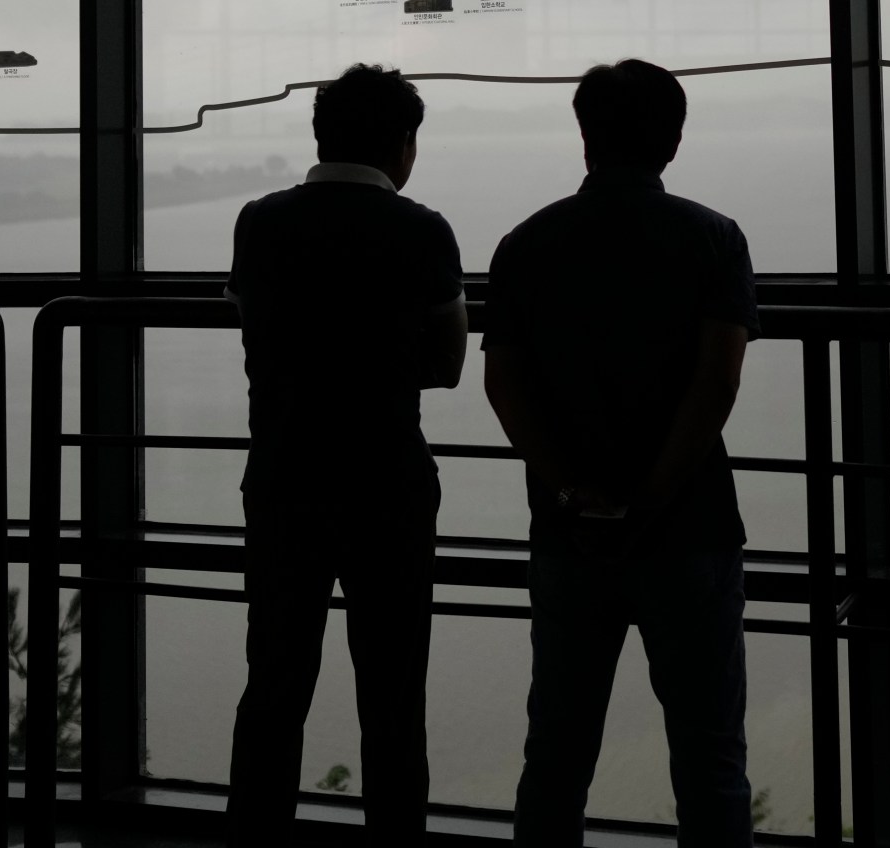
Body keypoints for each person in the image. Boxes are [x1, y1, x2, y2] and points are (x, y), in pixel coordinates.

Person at [482, 58, 758, 848]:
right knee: (710, 760)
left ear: (585, 137)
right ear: (671, 140)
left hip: (568, 535)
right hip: (690, 528)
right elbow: (717, 384)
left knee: (557, 754)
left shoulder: (525, 244)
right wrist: (651, 497)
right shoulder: (713, 239)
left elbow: (504, 386)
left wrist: (575, 493)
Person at [225, 64, 468, 847]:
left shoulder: (260, 224)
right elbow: (451, 362)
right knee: (393, 698)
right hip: (387, 483)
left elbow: (252, 323)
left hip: (285, 478)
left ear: (321, 134)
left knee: (275, 684)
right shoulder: (422, 231)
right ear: (403, 143)